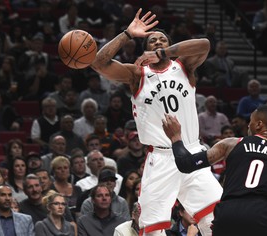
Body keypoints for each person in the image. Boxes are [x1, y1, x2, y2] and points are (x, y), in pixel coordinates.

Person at [90, 8, 223, 236]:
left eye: (163, 40)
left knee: (218, 219)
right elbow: (98, 63)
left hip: (191, 151)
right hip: (161, 158)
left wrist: (165, 53)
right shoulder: (137, 75)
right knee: (151, 230)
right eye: (153, 40)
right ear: (145, 49)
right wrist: (127, 34)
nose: (158, 42)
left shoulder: (184, 67)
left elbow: (204, 44)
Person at [162, 105, 267, 236]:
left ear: (259, 124)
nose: (248, 124)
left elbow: (186, 164)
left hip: (227, 217)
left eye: (251, 121)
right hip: (263, 218)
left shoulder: (232, 144)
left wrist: (176, 137)